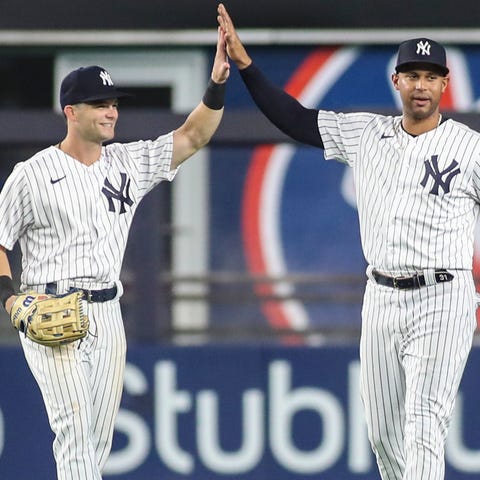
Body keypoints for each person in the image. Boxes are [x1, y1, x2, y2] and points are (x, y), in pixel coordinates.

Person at [217, 3, 480, 480]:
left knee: (424, 423)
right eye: (412, 74)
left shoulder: (470, 147)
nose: (421, 85)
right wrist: (246, 66)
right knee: (382, 433)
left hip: (444, 295)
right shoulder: (366, 134)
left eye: (431, 76)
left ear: (445, 85)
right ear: (396, 81)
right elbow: (294, 119)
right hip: (380, 296)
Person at [0, 26, 229, 479]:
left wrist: (217, 83)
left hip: (108, 313)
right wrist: (9, 297)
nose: (110, 112)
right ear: (71, 111)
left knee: (98, 441)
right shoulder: (32, 174)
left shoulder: (127, 162)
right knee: (75, 430)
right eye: (99, 104)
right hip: (51, 307)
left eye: (113, 104)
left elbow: (192, 137)